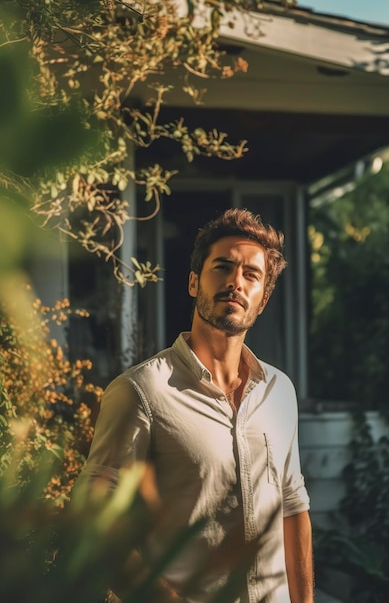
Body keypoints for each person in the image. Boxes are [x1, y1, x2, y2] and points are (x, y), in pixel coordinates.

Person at [77, 208, 314, 603]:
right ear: (193, 282)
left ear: (264, 299)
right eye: (222, 267)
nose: (236, 282)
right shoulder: (141, 393)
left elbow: (293, 505)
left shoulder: (281, 392)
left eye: (251, 275)